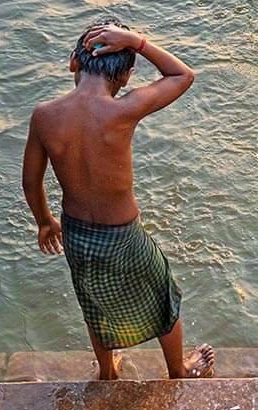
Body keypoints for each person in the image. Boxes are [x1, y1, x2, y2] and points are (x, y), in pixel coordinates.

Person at [22, 20, 214, 380]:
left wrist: (45, 221)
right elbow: (182, 75)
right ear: (125, 77)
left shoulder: (44, 115)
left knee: (93, 300)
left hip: (78, 233)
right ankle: (179, 370)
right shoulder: (123, 110)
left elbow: (30, 181)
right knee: (162, 294)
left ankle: (108, 370)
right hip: (122, 235)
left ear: (72, 63)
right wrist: (137, 42)